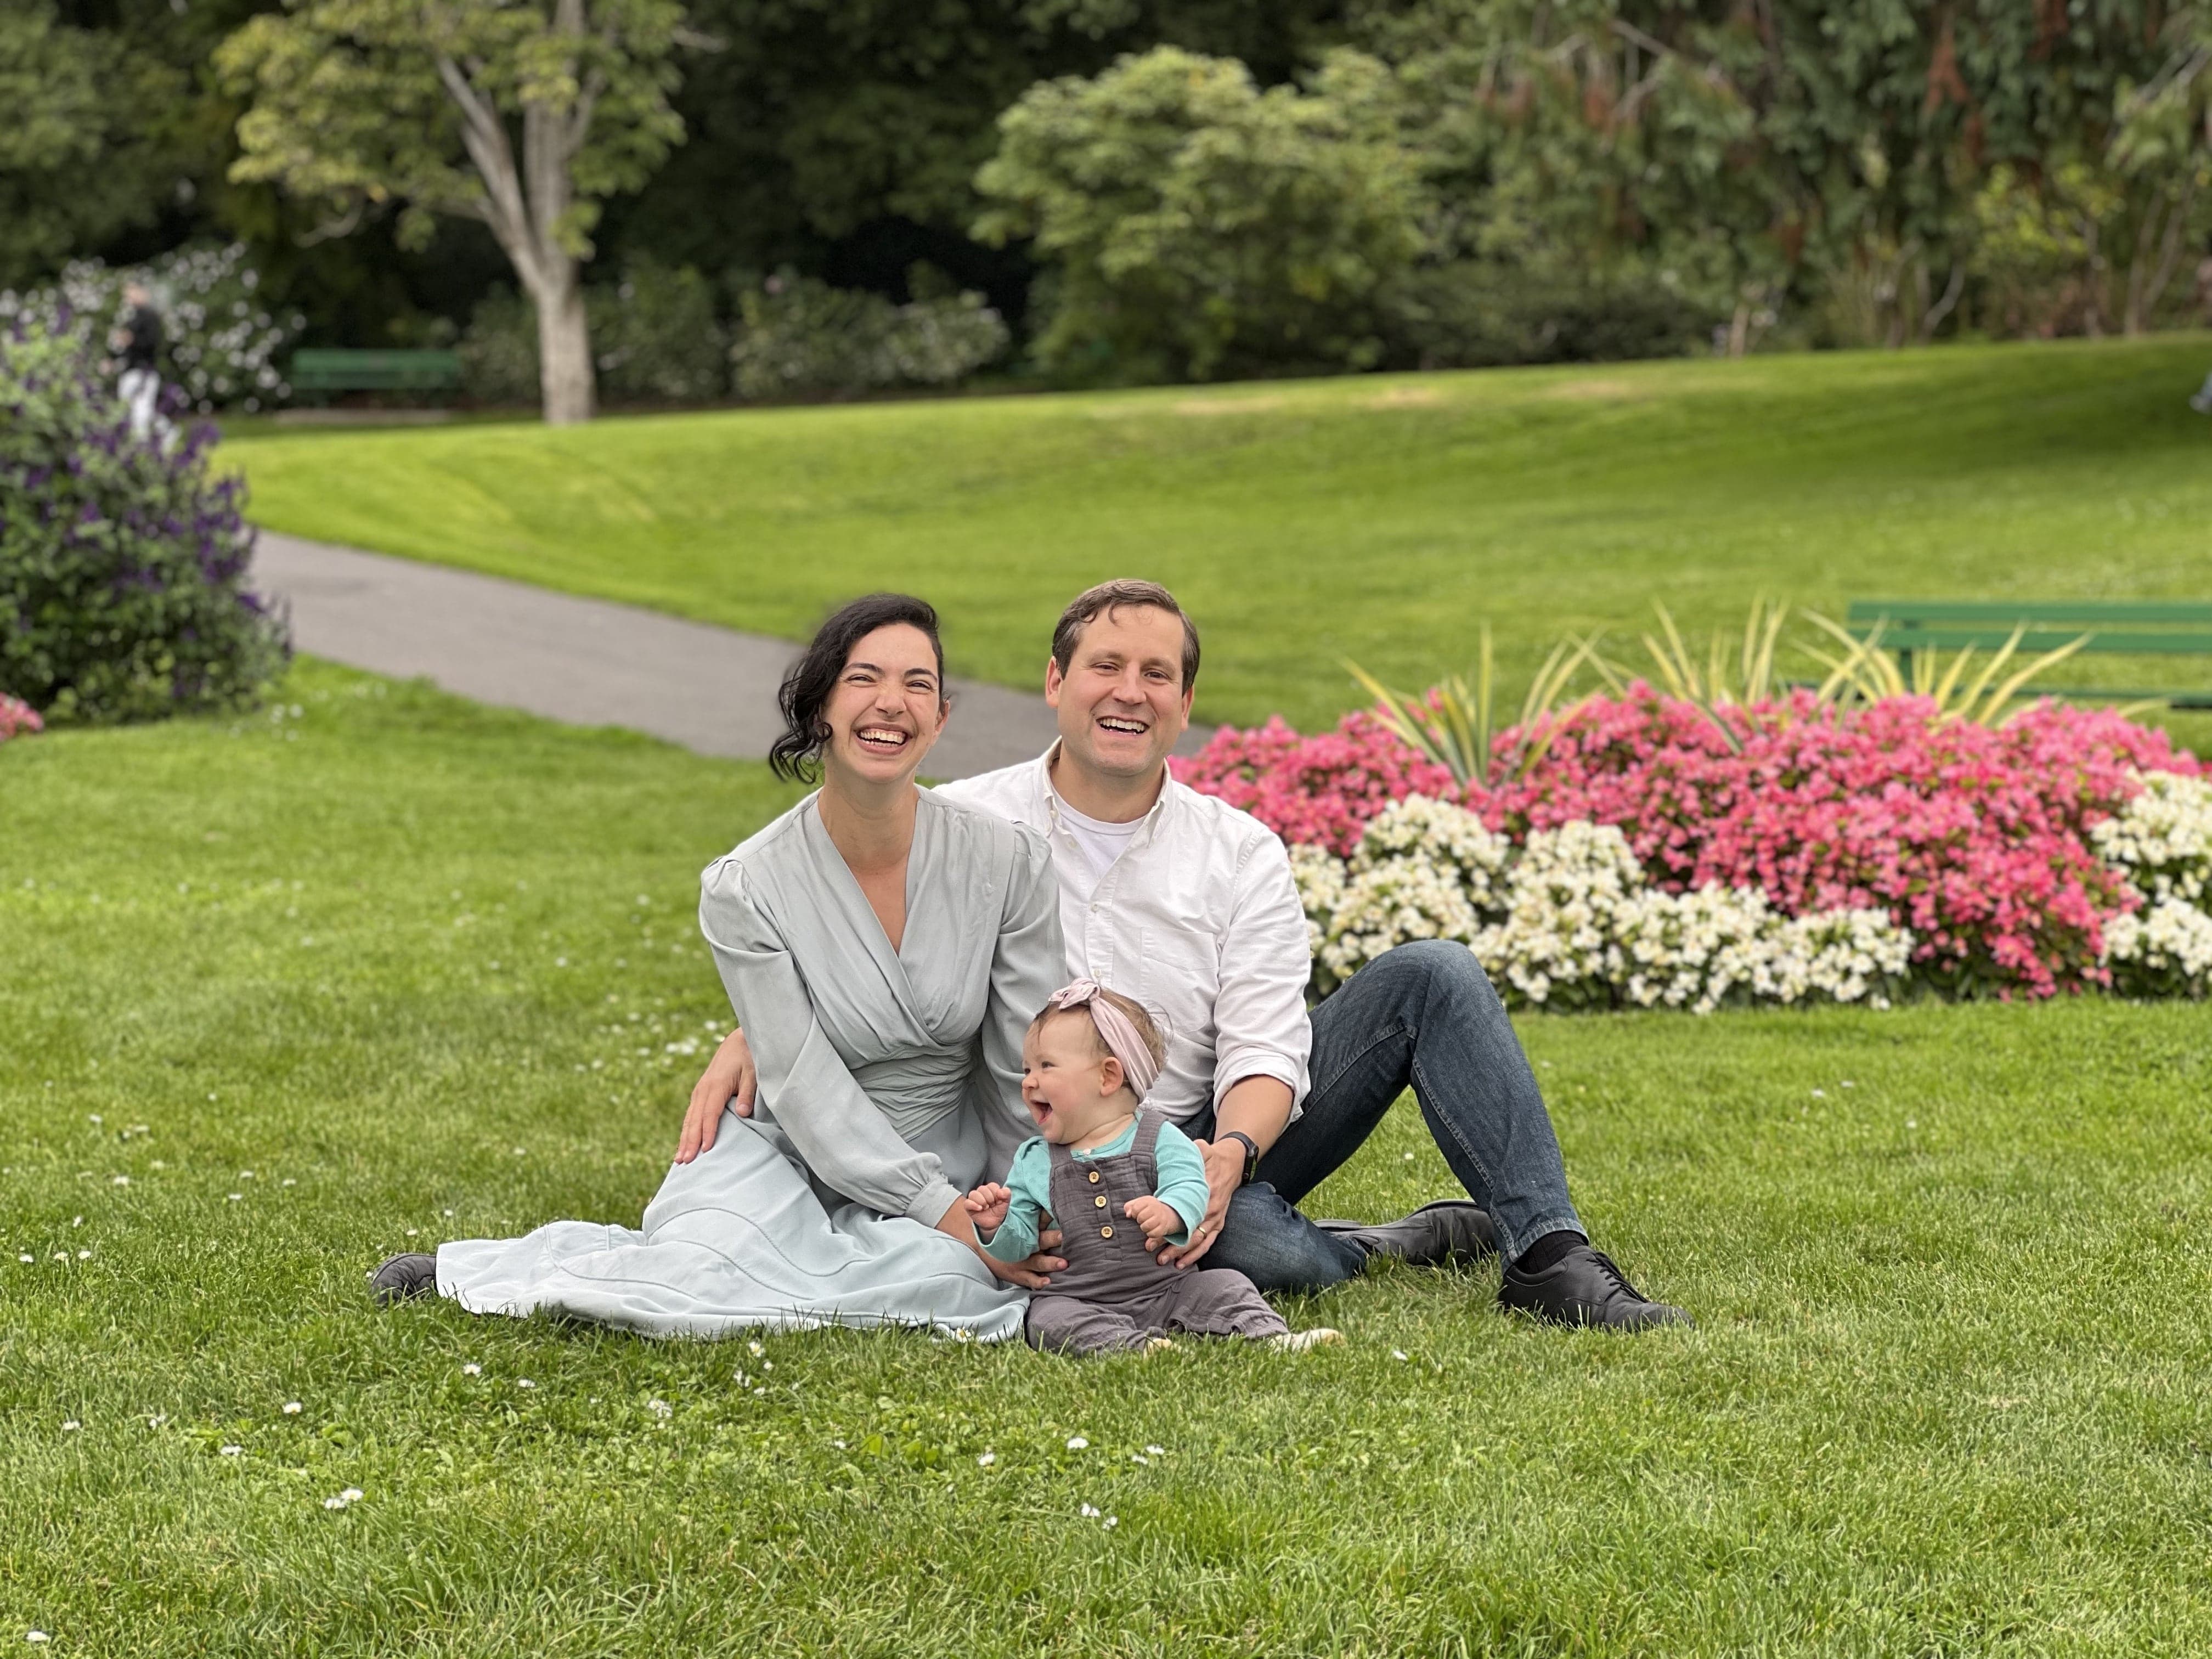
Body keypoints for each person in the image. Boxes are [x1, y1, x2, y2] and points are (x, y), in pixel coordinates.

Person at [688, 581, 1688, 1331]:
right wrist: (758, 1027)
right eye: (1104, 667)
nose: (1129, 692)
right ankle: (1378, 1241)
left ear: (1183, 698)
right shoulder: (970, 822)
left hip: (1226, 1129)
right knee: (1247, 1244)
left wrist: (1223, 1157)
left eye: (1155, 674)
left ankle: (1547, 1253)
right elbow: (874, 926)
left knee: (1435, 972)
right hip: (1077, 1152)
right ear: (1054, 682)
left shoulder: (1237, 846)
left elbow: (1268, 1045)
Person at [369, 593, 1064, 1338]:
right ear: (822, 704)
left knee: (951, 1279)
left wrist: (1024, 1198)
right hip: (787, 1148)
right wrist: (946, 1215)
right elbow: (800, 1084)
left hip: (942, 1157)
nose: (890, 703)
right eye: (864, 679)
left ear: (943, 717)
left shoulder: (1007, 861)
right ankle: (487, 1270)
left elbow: (1023, 1058)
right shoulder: (745, 888)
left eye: (917, 684)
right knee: (706, 1268)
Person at [970, 978, 1339, 1356]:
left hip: (1168, 1287)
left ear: (1108, 1077)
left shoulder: (1160, 1136)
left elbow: (1192, 1184)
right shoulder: (1034, 1159)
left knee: (1227, 1283)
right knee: (1047, 1319)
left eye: (1045, 1066)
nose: (1029, 1082)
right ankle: (1133, 1348)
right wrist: (999, 1226)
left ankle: (1270, 1335)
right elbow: (1021, 1242)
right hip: (1079, 1297)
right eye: (1027, 1068)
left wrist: (1172, 1211)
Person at [110, 282, 165, 444]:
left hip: (143, 371)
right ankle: (164, 432)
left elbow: (152, 343)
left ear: (143, 292)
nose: (129, 297)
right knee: (132, 410)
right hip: (131, 370)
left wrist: (131, 340)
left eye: (132, 292)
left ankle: (145, 446)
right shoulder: (133, 317)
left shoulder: (149, 316)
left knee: (141, 411)